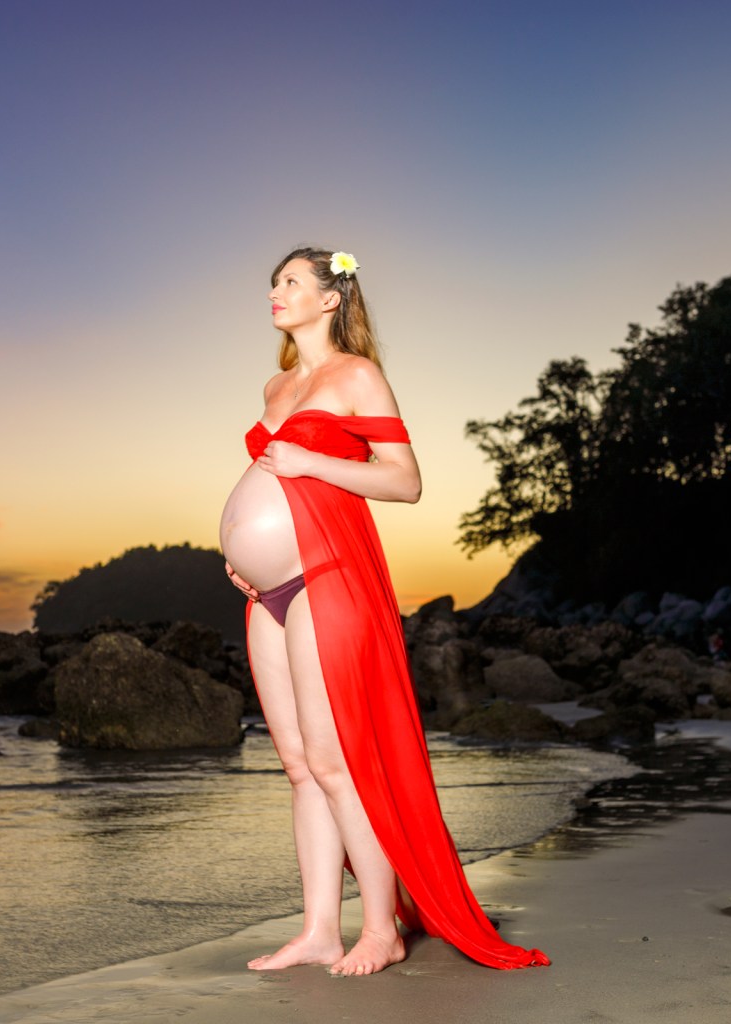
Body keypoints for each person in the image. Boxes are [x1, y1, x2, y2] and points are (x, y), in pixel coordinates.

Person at [218, 246, 550, 976]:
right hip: (264, 594)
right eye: (274, 283)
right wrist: (243, 554)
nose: (276, 293)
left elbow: (404, 482)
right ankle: (317, 931)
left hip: (324, 577)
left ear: (331, 298)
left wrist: (311, 464)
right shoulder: (275, 385)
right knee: (301, 768)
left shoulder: (357, 376)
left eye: (292, 282)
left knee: (337, 763)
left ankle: (380, 929)